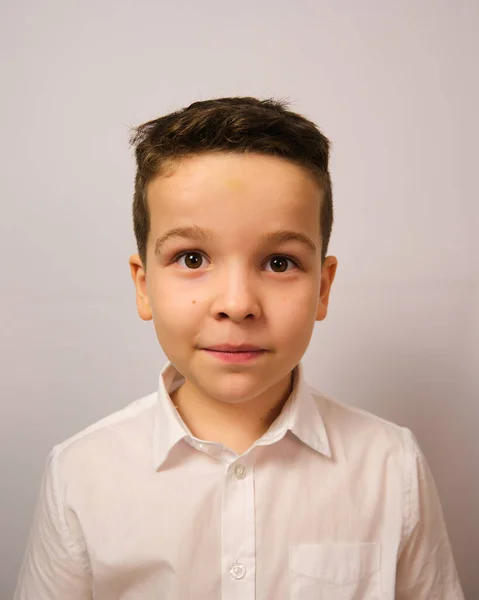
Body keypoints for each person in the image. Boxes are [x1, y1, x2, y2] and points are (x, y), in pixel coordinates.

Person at [14, 96, 465, 599]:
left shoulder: (390, 466)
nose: (236, 304)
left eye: (278, 263)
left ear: (322, 287)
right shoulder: (81, 473)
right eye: (191, 257)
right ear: (143, 285)